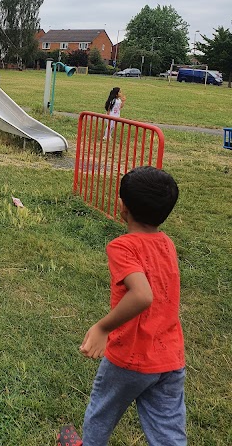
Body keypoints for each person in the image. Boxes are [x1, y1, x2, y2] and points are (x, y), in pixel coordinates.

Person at [58, 166, 186, 446]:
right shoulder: (167, 244)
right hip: (170, 359)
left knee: (101, 414)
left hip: (129, 356)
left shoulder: (123, 247)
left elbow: (142, 295)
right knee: (168, 432)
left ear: (124, 206)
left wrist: (103, 327)